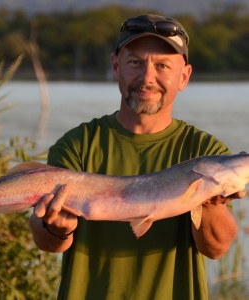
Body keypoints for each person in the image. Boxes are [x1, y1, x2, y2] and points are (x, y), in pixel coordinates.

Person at [29, 14, 244, 299]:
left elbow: (216, 249)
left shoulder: (205, 150)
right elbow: (47, 242)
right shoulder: (78, 144)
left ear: (184, 76)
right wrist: (56, 230)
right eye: (135, 63)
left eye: (162, 65)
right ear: (116, 67)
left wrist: (212, 203)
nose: (147, 78)